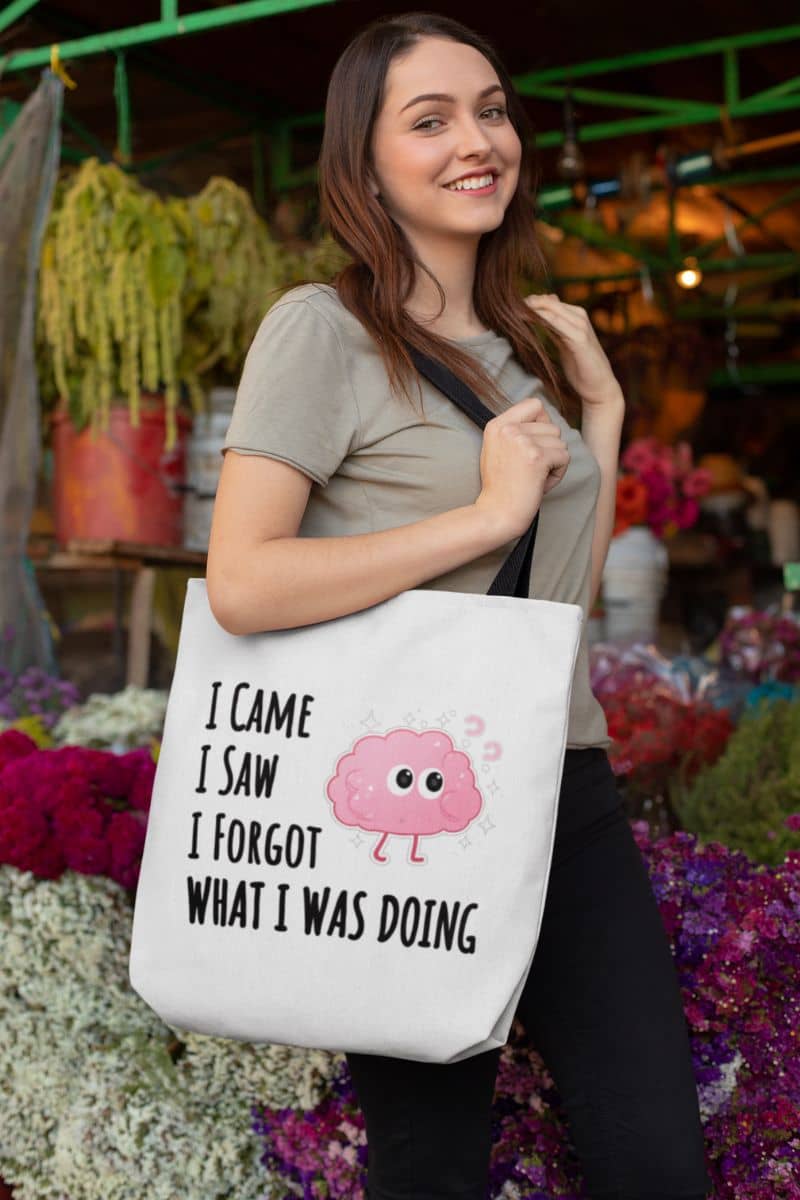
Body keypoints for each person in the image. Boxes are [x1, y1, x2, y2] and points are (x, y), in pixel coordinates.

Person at [206, 12, 713, 1199]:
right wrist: (480, 515)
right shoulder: (320, 332)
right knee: (430, 1167)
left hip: (560, 783)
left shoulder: (525, 352)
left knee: (655, 1161)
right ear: (363, 163)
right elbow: (241, 578)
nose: (475, 141)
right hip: (403, 802)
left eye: (488, 109)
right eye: (427, 121)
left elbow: (554, 626)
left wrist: (598, 423)